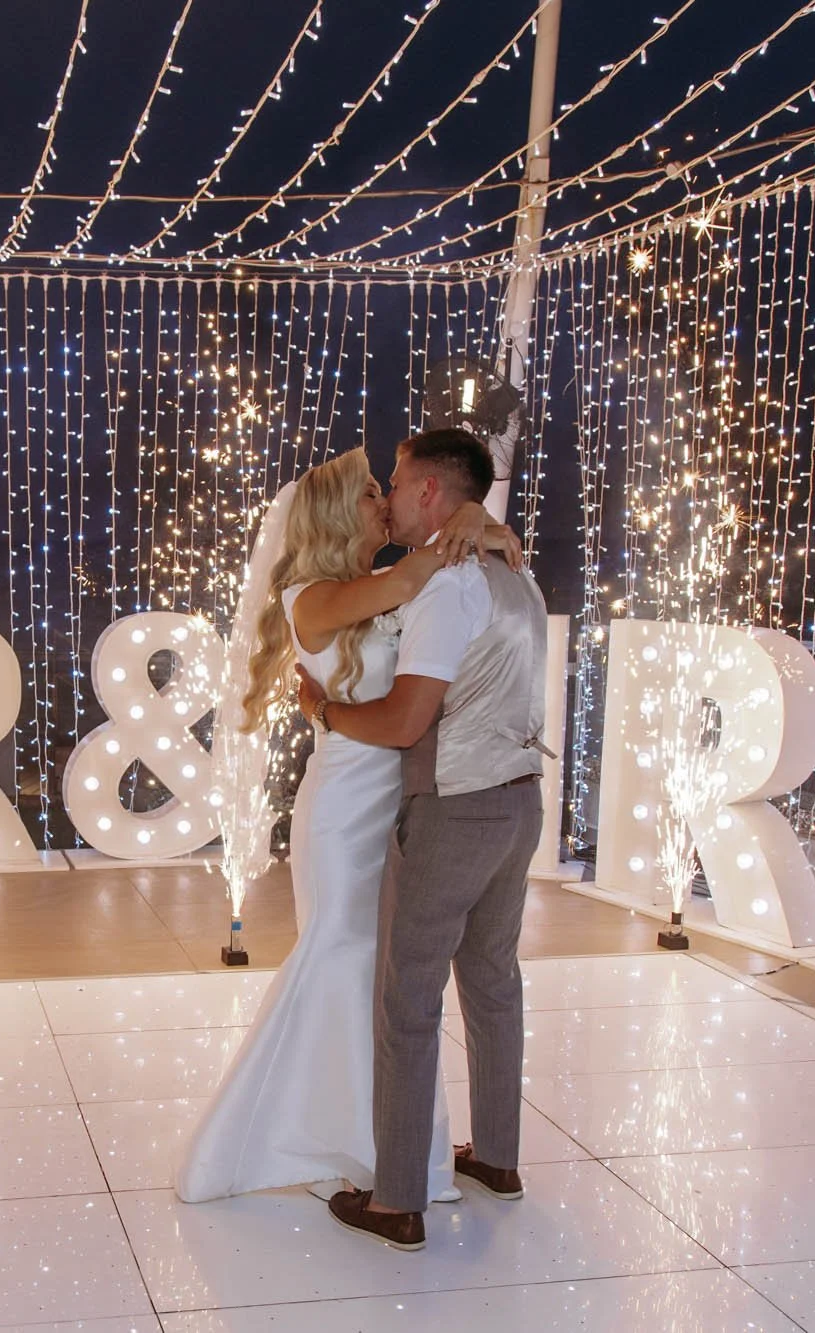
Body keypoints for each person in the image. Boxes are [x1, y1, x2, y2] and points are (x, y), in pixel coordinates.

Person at [174, 444, 523, 1204]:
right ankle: (296, 1135)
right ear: (338, 514)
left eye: (389, 487)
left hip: (394, 802)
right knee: (343, 957)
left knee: (378, 974)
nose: (385, 501)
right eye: (372, 493)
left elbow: (417, 598)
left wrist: (467, 518)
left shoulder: (370, 590)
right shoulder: (313, 594)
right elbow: (411, 577)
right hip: (342, 811)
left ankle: (374, 1143)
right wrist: (468, 520)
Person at [299, 427, 550, 1252]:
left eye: (399, 484)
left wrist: (326, 713)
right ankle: (501, 1158)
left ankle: (398, 1199)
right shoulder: (519, 576)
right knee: (492, 982)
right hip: (521, 805)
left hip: (454, 808)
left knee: (408, 1001)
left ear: (432, 494)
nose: (393, 496)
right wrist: (488, 525)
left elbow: (410, 721)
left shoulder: (447, 586)